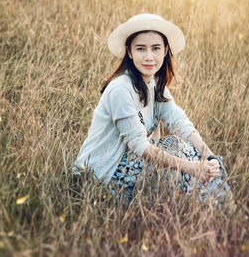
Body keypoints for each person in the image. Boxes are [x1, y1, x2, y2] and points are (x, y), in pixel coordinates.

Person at [72, 14, 231, 204]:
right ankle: (199, 202)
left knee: (195, 154)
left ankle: (220, 206)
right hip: (100, 175)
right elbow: (139, 146)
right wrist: (191, 167)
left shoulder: (155, 85)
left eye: (155, 48)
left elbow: (180, 122)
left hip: (130, 164)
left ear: (165, 51)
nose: (149, 56)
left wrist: (209, 156)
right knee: (176, 153)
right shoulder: (120, 89)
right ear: (129, 52)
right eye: (141, 49)